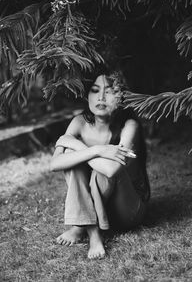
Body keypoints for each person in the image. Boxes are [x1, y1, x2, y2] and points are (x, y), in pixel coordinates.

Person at [50, 70, 150, 259]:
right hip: (101, 207)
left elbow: (112, 170)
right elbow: (54, 164)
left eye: (110, 91)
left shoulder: (129, 126)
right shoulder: (79, 122)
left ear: (122, 97)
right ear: (87, 95)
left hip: (128, 209)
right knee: (73, 156)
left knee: (101, 167)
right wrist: (96, 150)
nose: (101, 97)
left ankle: (82, 226)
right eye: (95, 90)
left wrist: (80, 147)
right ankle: (93, 232)